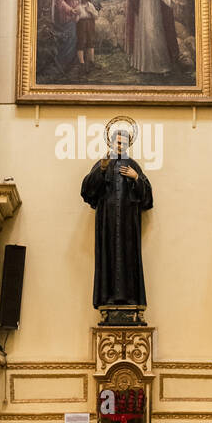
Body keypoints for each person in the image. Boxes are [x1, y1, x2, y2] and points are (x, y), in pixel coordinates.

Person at [81, 127, 153, 310]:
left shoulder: (133, 166)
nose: (120, 145)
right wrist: (102, 170)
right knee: (109, 257)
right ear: (111, 142)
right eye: (117, 142)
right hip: (108, 222)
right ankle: (108, 297)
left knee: (128, 257)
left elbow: (147, 198)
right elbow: (88, 190)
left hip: (129, 224)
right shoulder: (103, 163)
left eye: (124, 142)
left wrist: (136, 178)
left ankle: (130, 298)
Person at [124, 0, 179, 75]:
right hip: (141, 7)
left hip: (153, 7)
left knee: (154, 33)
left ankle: (162, 66)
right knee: (143, 34)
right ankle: (143, 66)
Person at [51, 0, 87, 74]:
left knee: (78, 38)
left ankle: (73, 65)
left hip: (78, 14)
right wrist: (70, 10)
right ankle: (62, 65)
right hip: (66, 14)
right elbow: (60, 2)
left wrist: (82, 6)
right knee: (69, 38)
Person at [75, 0, 101, 73]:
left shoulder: (90, 5)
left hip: (90, 23)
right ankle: (82, 63)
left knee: (91, 41)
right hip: (81, 24)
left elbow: (96, 16)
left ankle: (91, 62)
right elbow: (75, 20)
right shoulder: (78, 7)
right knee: (81, 42)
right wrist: (77, 15)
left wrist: (90, 11)